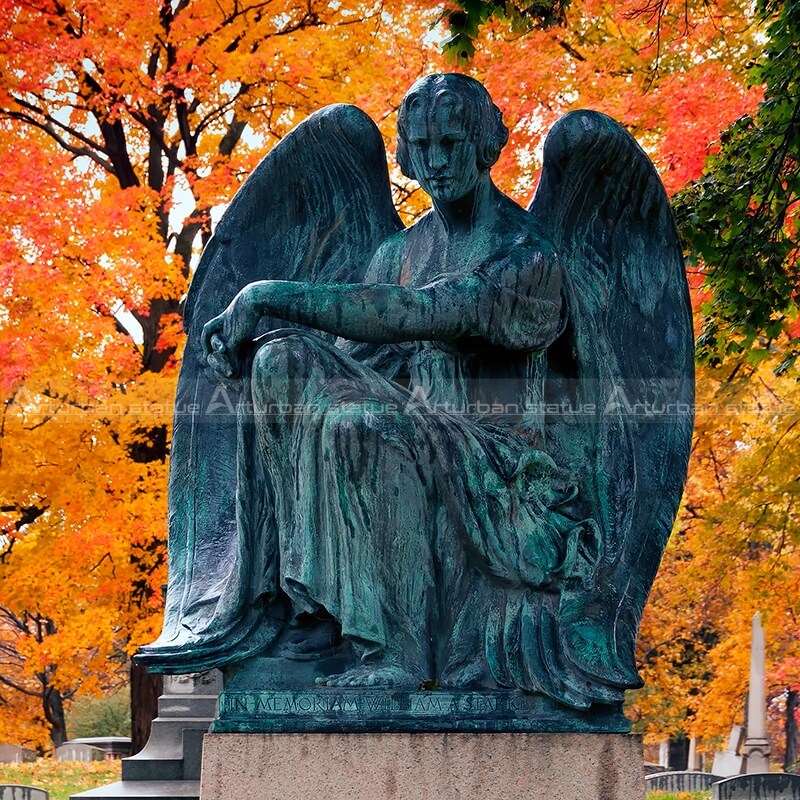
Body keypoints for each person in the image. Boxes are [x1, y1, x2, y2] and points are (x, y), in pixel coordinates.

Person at [198, 74, 595, 689]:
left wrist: (266, 295)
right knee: (285, 364)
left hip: (501, 465)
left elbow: (424, 313)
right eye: (424, 145)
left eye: (454, 143)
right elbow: (349, 370)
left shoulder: (527, 257)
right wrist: (254, 346)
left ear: (488, 144)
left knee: (364, 426)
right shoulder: (396, 255)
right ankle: (305, 607)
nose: (437, 161)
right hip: (419, 435)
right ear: (406, 152)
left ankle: (402, 653)